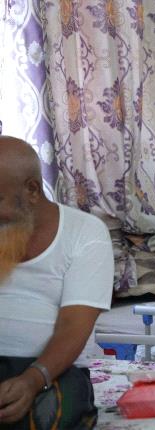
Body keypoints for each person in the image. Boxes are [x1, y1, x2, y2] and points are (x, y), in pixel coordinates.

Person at [0, 137, 114, 428]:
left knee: (48, 414)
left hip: (52, 370)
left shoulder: (85, 233)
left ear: (32, 190)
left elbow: (73, 326)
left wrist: (32, 380)